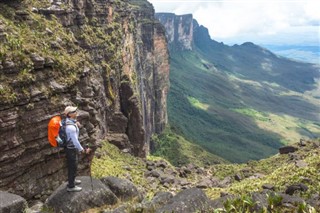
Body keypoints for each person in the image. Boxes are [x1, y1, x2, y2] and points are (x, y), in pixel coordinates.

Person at [64, 106, 90, 192]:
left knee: (73, 165)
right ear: (70, 114)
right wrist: (82, 149)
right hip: (71, 149)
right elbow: (75, 141)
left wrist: (76, 124)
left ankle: (73, 180)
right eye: (74, 111)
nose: (76, 112)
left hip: (71, 148)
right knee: (73, 166)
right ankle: (71, 186)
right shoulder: (71, 128)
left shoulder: (70, 122)